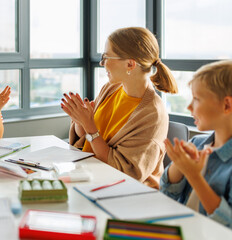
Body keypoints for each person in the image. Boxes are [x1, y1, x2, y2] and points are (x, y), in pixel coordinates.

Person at [62, 27, 178, 189]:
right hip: (91, 177)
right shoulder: (110, 89)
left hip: (128, 192)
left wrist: (90, 126)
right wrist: (80, 120)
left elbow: (125, 171)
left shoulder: (152, 114)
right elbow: (86, 141)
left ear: (130, 64)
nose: (102, 63)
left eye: (106, 57)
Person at [160, 60, 232, 228]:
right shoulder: (196, 143)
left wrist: (194, 176)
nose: (189, 107)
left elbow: (228, 224)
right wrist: (179, 165)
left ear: (227, 105)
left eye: (197, 99)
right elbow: (165, 194)